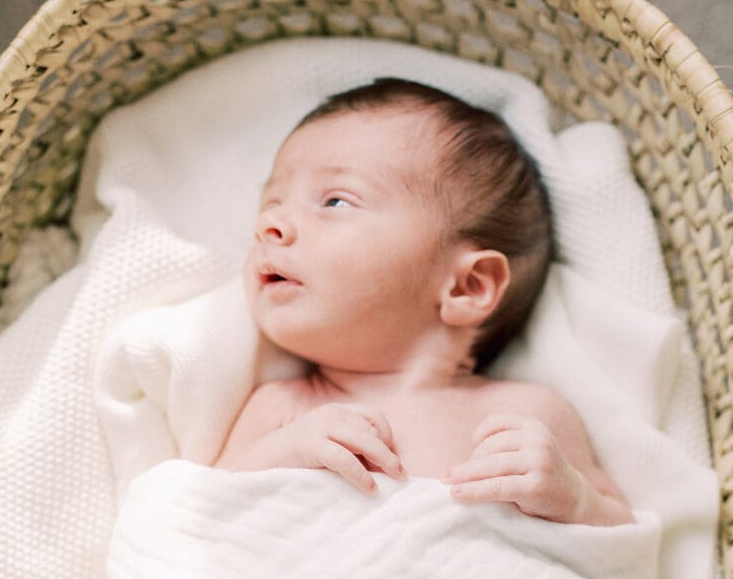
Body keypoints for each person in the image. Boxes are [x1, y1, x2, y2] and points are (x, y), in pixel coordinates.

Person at [216, 78, 632, 526]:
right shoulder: (281, 409)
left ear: (467, 286)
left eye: (335, 200)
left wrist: (575, 501)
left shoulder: (529, 414)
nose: (268, 225)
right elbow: (200, 513)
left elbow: (622, 541)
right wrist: (283, 454)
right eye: (271, 203)